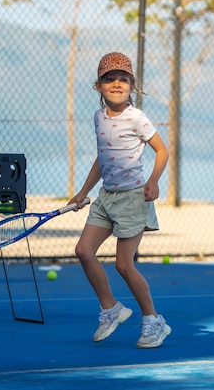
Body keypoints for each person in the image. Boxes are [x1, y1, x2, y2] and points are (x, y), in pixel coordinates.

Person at [68, 52, 171, 349]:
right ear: (98, 85)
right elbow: (103, 160)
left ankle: (154, 321)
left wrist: (153, 181)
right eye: (109, 79)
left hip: (133, 199)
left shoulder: (137, 117)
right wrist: (83, 191)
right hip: (106, 198)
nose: (116, 83)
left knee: (124, 265)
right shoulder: (99, 117)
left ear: (132, 86)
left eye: (123, 79)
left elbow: (162, 151)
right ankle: (111, 309)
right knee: (84, 251)